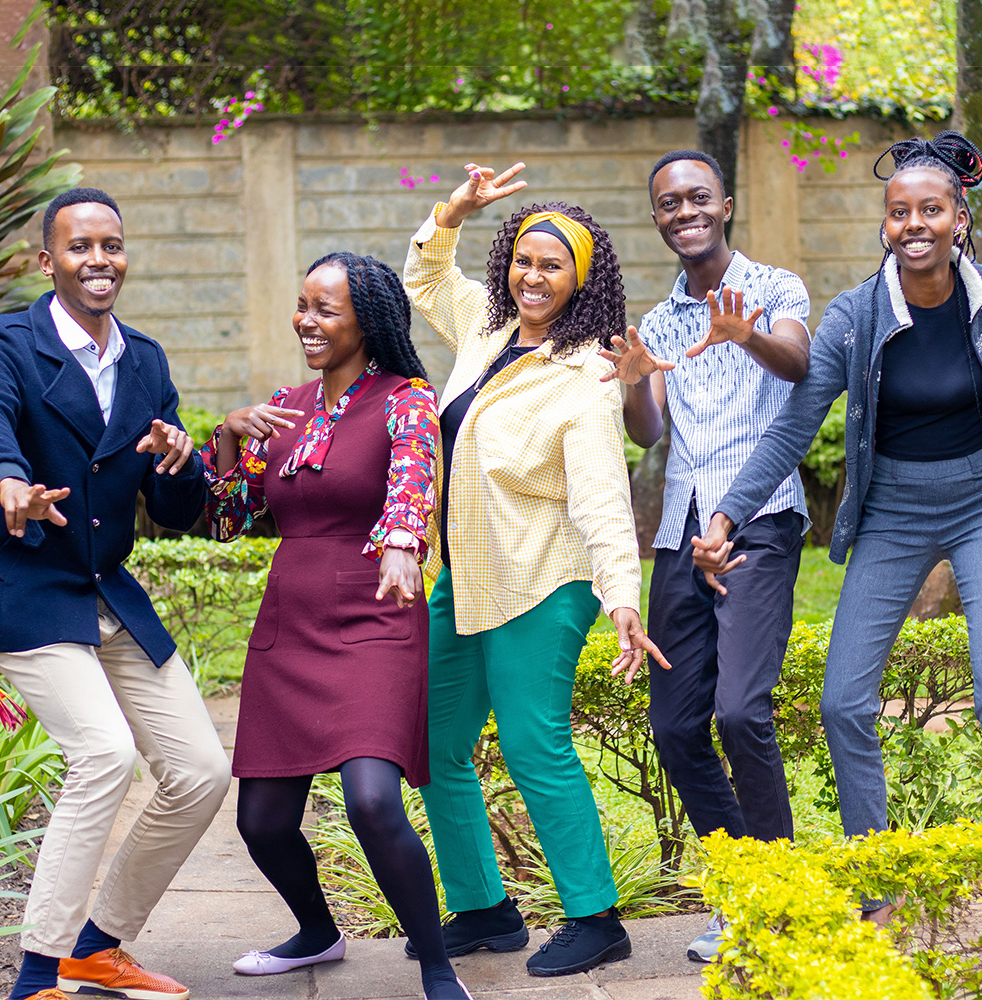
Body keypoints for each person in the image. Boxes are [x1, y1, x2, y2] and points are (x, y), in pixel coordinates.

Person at [690, 132, 982, 973]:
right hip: (894, 513)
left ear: (958, 219)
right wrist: (726, 513)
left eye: (931, 210)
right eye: (899, 212)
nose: (914, 224)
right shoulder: (854, 315)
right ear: (885, 227)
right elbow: (794, 428)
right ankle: (878, 888)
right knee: (842, 701)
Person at [0, 187, 232, 1000]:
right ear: (49, 261)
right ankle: (37, 976)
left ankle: (98, 945)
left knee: (202, 770)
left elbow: (178, 511)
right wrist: (7, 482)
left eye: (111, 245)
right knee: (104, 753)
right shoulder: (9, 340)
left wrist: (182, 460)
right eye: (80, 248)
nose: (99, 260)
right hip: (26, 588)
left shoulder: (142, 358)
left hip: (108, 590)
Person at [402, 162, 670, 978]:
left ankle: (597, 917)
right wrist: (453, 210)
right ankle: (485, 908)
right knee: (437, 743)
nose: (533, 275)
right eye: (524, 258)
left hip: (543, 582)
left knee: (531, 741)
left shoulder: (586, 372)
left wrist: (622, 595)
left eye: (553, 264)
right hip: (464, 576)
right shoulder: (485, 330)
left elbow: (598, 496)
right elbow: (422, 275)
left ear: (581, 278)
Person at [200, 252, 471, 1000]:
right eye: (302, 305)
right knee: (260, 820)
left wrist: (401, 543)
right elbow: (229, 521)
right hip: (291, 621)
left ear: (367, 321)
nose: (306, 321)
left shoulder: (405, 399)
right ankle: (317, 933)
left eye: (325, 309)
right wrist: (226, 437)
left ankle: (436, 963)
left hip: (375, 615)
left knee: (373, 799)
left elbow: (414, 478)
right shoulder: (284, 406)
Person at [599, 149, 812, 963]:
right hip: (680, 537)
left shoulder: (775, 288)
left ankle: (777, 895)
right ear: (657, 219)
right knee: (675, 724)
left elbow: (796, 364)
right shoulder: (656, 322)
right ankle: (741, 889)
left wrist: (743, 333)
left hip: (759, 523)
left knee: (739, 712)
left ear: (725, 204)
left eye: (697, 198)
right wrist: (631, 380)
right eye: (667, 204)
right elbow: (649, 432)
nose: (683, 212)